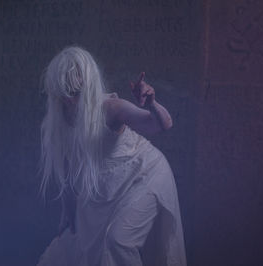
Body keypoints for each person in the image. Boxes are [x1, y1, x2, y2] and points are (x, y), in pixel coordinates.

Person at [36, 46, 187, 266]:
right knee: (72, 246)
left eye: (77, 92)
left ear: (87, 87)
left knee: (118, 241)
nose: (71, 101)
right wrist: (68, 213)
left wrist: (152, 104)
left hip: (145, 176)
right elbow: (68, 169)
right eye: (65, 93)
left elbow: (162, 124)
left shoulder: (110, 108)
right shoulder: (61, 121)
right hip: (108, 186)